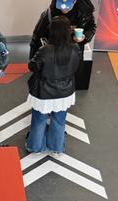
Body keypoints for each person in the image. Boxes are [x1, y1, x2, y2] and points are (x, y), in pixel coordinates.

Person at [26, 16, 81, 155]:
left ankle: (35, 147)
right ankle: (56, 148)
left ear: (52, 31)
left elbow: (32, 66)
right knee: (59, 120)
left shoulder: (45, 50)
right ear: (68, 31)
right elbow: (77, 67)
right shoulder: (75, 48)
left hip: (43, 92)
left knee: (39, 120)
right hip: (65, 92)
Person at [29, 0, 96, 59]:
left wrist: (85, 36)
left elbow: (92, 27)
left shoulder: (85, 12)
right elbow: (37, 37)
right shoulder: (49, 14)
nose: (63, 8)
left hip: (74, 56)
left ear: (74, 1)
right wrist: (33, 60)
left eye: (67, 5)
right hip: (53, 56)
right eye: (60, 3)